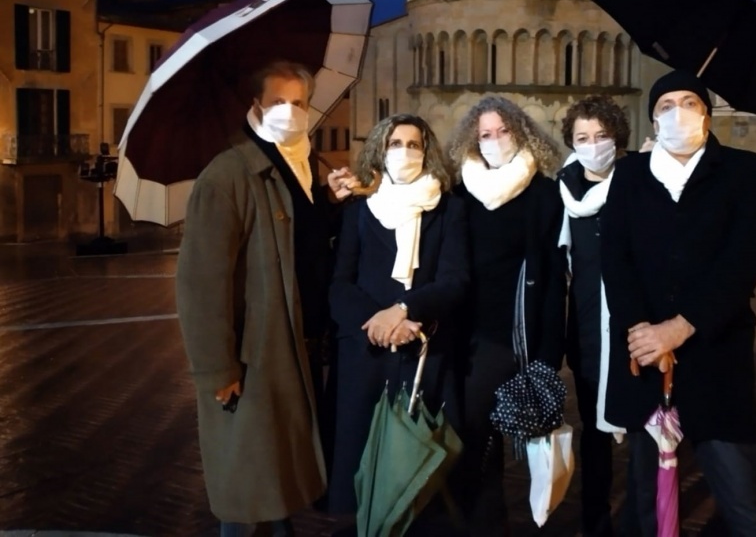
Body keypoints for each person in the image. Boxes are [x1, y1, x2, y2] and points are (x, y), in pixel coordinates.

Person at [601, 70, 756, 537]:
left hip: (715, 355)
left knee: (745, 497)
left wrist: (680, 327)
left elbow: (741, 264)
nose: (678, 112)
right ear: (653, 119)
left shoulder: (744, 171)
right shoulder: (630, 174)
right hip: (645, 358)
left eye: (690, 102)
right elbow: (615, 261)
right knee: (648, 497)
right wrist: (642, 332)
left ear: (706, 114)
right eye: (666, 105)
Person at [176, 61, 354, 537]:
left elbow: (302, 241)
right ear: (256, 105)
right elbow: (200, 283)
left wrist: (329, 202)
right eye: (278, 102)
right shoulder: (229, 174)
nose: (289, 112)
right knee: (247, 483)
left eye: (298, 102)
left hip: (297, 345)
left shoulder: (299, 165)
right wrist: (217, 369)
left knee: (275, 476)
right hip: (255, 353)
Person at [326, 113, 469, 519]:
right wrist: (379, 321)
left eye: (413, 144)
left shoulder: (448, 209)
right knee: (361, 467)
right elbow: (340, 285)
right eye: (394, 144)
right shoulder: (359, 210)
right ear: (380, 150)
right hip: (366, 353)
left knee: (420, 473)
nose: (404, 152)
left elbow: (456, 280)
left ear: (427, 152)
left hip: (424, 351)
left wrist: (405, 311)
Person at [446, 96, 567, 536]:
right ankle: (483, 521)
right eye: (485, 134)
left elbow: (553, 279)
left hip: (508, 335)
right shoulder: (460, 193)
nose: (495, 140)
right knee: (472, 436)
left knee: (477, 431)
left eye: (503, 131)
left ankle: (482, 523)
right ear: (472, 140)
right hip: (461, 332)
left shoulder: (543, 194)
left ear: (520, 132)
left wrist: (548, 353)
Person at [556, 96, 631, 537]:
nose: (593, 145)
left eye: (602, 136)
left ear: (616, 138)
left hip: (631, 327)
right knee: (594, 433)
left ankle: (644, 516)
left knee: (644, 430)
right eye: (582, 137)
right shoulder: (563, 189)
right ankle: (595, 521)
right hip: (585, 330)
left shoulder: (638, 180)